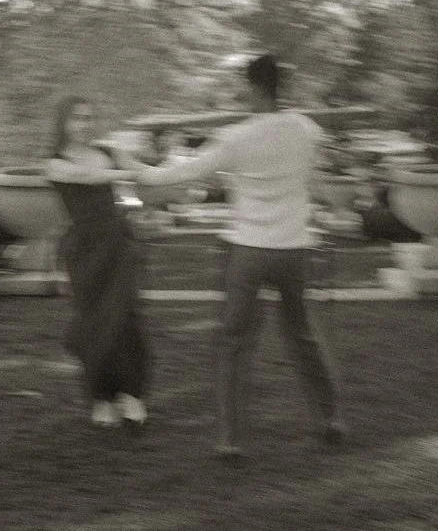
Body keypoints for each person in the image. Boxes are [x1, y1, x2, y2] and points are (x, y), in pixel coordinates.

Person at [121, 54, 342, 459]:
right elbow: (317, 176)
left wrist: (127, 163)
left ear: (255, 88)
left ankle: (230, 440)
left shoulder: (235, 138)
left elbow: (173, 175)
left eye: (245, 87)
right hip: (293, 251)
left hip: (249, 252)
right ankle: (330, 419)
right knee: (304, 337)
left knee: (234, 344)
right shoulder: (307, 131)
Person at [43, 98, 150, 431]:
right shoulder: (55, 164)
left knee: (125, 317)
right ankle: (101, 397)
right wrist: (126, 171)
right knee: (93, 320)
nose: (85, 124)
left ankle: (131, 395)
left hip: (117, 244)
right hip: (85, 250)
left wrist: (195, 174)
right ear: (64, 122)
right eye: (77, 118)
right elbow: (88, 177)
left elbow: (148, 172)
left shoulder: (108, 151)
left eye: (90, 118)